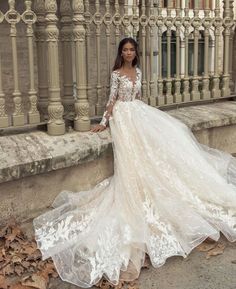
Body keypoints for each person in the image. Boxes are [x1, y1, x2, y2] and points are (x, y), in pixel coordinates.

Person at [33, 37, 236, 288]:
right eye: (125, 50)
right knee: (132, 160)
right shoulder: (117, 73)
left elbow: (138, 96)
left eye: (131, 49)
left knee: (168, 141)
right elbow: (111, 100)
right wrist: (104, 123)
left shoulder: (138, 71)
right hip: (122, 117)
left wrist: (144, 116)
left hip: (138, 112)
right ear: (120, 53)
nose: (128, 53)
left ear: (135, 53)